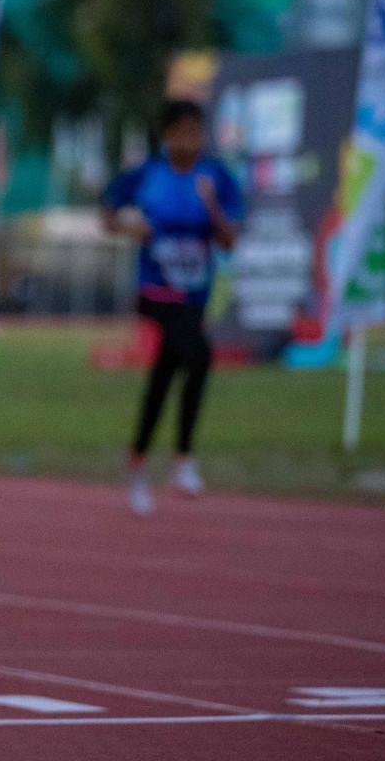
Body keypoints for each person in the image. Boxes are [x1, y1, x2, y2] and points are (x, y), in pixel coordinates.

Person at [103, 100, 242, 516]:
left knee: (166, 373)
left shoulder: (216, 177)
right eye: (181, 132)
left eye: (196, 132)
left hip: (196, 291)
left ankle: (138, 459)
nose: (190, 141)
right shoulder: (147, 175)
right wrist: (134, 227)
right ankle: (183, 458)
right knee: (199, 353)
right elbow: (107, 214)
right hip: (156, 290)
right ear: (166, 136)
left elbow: (229, 241)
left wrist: (214, 207)